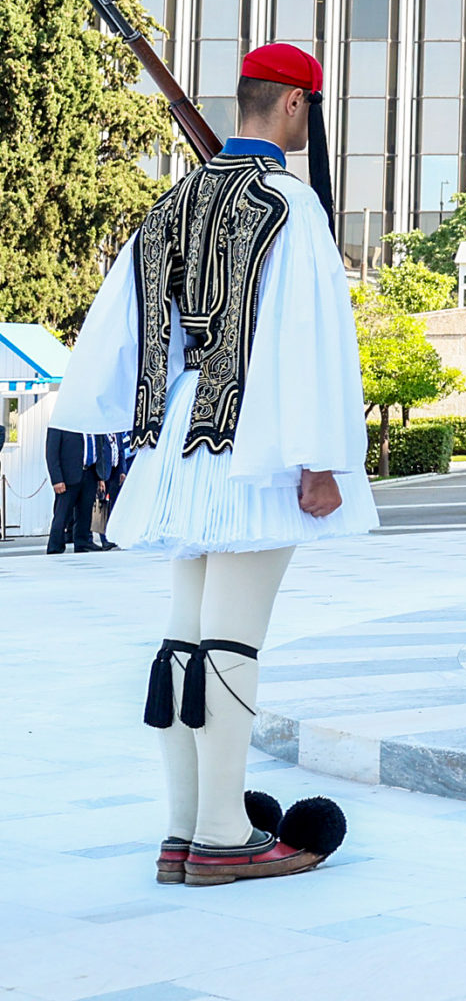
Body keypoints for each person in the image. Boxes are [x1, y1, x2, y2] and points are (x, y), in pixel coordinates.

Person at [54, 43, 371, 885]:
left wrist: (129, 431)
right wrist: (320, 456)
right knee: (232, 636)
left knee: (184, 638)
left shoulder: (168, 205)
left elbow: (113, 336)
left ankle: (183, 829)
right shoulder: (287, 203)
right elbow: (305, 331)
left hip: (176, 442)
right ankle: (227, 835)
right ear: (296, 107)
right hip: (257, 443)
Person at [44, 423, 99, 554]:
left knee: (85, 514)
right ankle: (55, 547)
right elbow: (51, 453)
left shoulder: (93, 424)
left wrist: (100, 476)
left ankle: (82, 543)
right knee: (62, 515)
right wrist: (57, 479)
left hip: (89, 473)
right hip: (68, 477)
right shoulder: (60, 423)